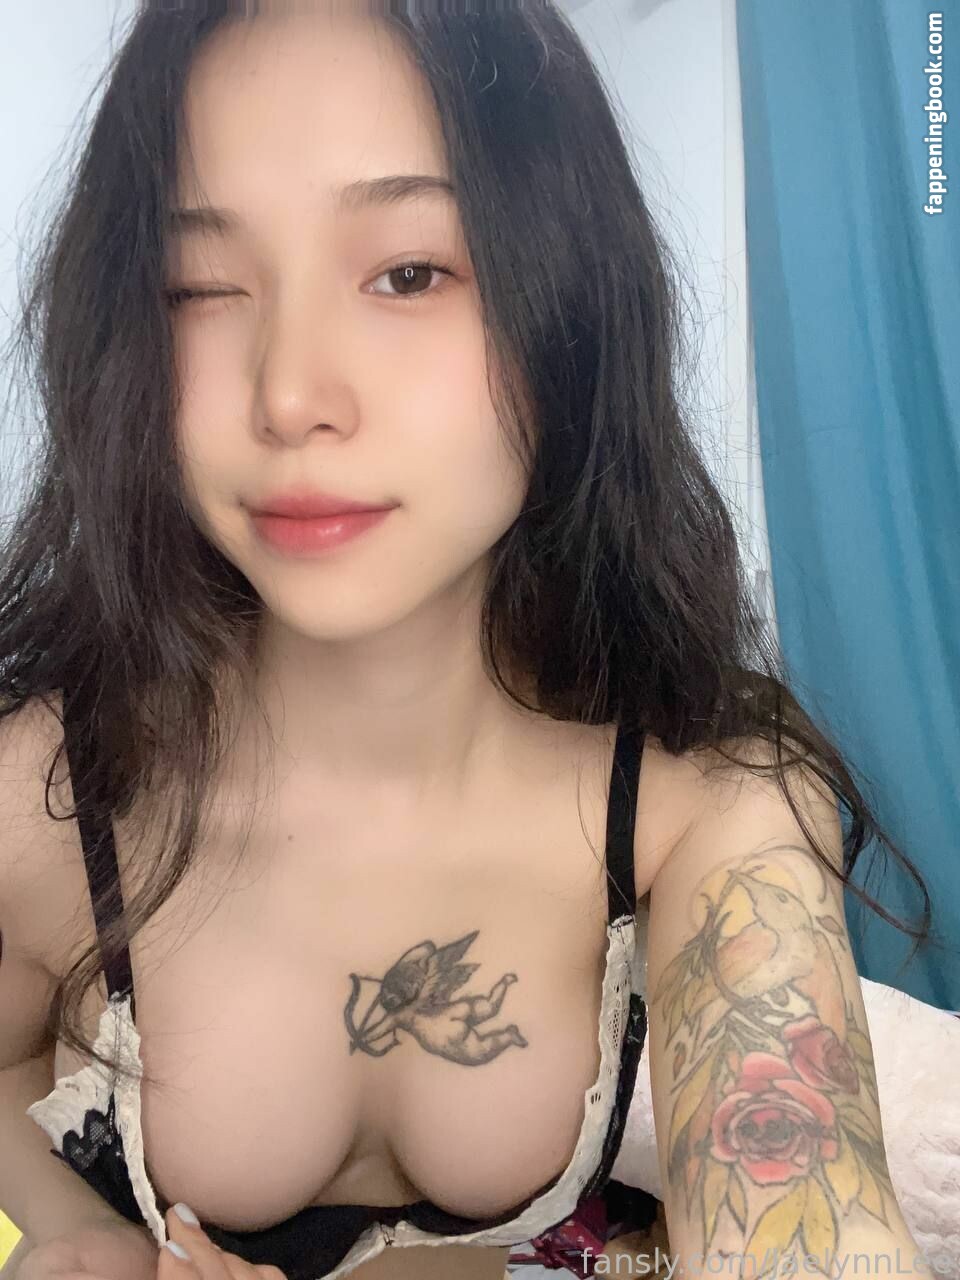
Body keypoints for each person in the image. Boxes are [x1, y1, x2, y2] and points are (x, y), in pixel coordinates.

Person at [0, 2, 939, 1278]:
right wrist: (80, 1230)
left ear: (573, 303)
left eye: (408, 273)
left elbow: (814, 1222)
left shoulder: (702, 797)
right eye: (199, 287)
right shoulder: (53, 798)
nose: (289, 393)